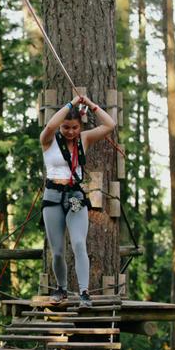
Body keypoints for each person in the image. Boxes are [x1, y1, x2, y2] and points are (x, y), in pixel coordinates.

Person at [40, 94, 115, 307]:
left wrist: (89, 104)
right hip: (53, 197)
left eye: (75, 127)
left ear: (80, 126)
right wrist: (72, 103)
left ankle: (84, 292)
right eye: (66, 127)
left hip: (75, 196)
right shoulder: (48, 139)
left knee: (79, 243)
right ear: (60, 126)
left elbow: (110, 125)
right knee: (57, 251)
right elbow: (50, 124)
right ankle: (61, 288)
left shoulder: (84, 139)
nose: (71, 132)